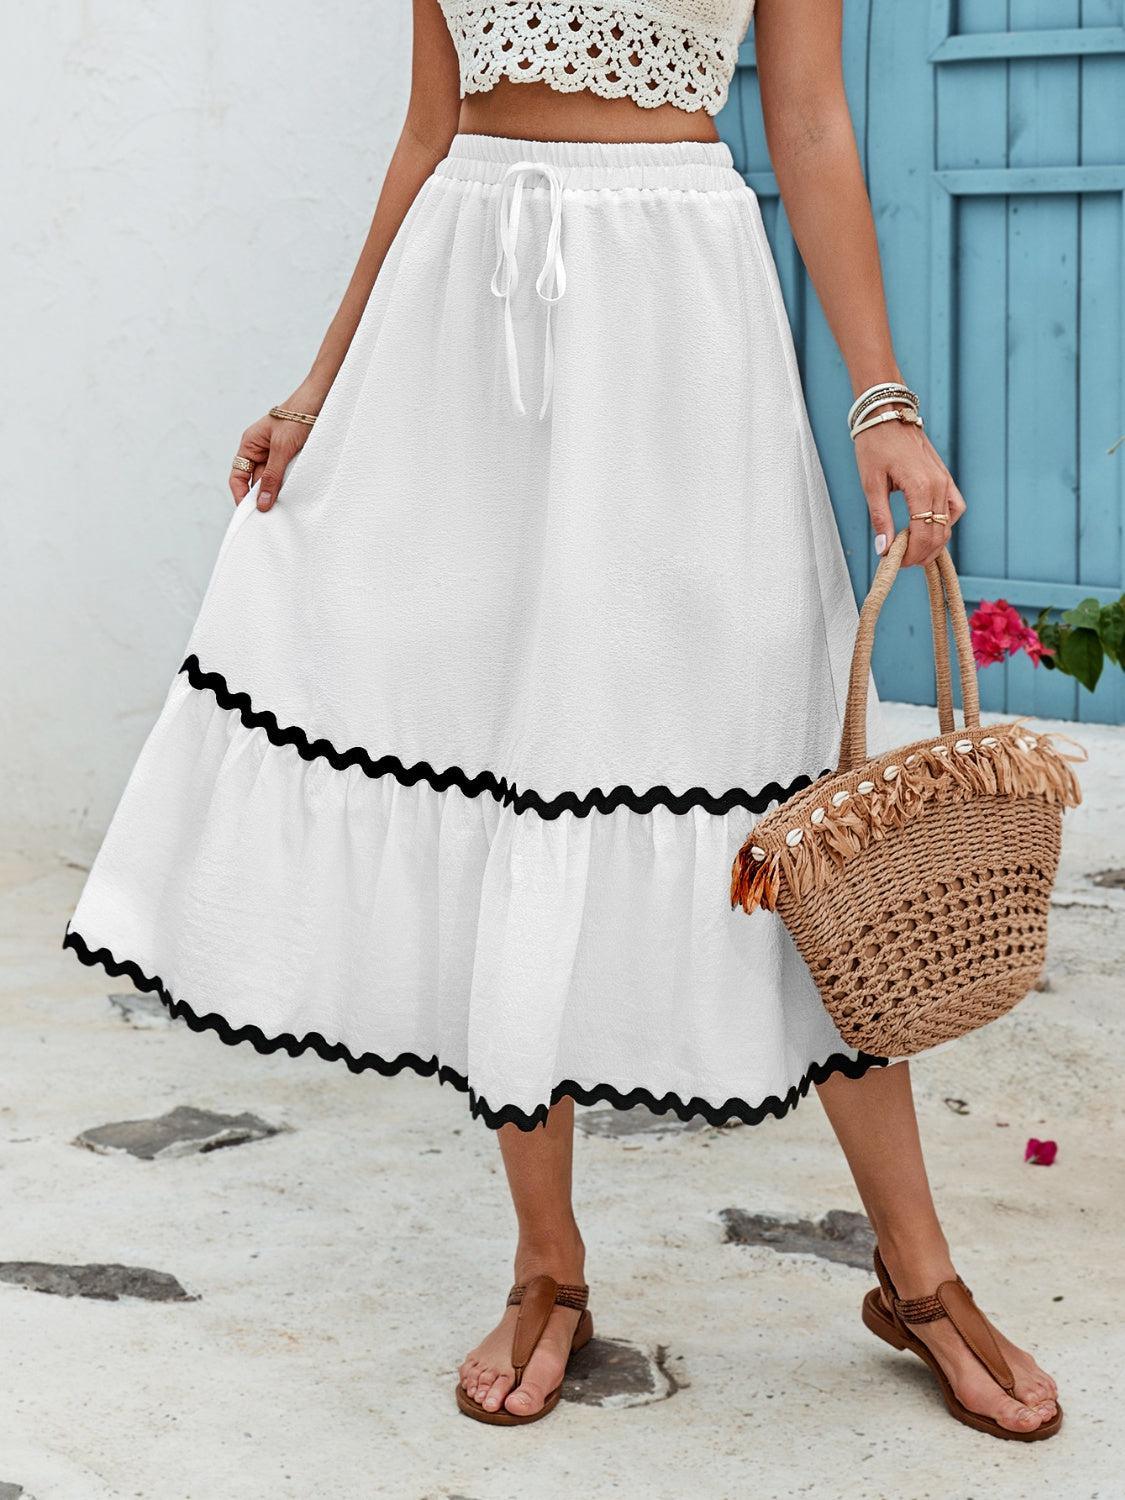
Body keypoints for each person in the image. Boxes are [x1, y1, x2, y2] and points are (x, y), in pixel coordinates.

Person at [65, 0, 1060, 1438]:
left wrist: (879, 400)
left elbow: (813, 124)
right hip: (458, 335)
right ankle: (548, 1266)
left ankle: (915, 1275)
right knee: (502, 768)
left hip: (676, 321)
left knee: (779, 794)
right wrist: (319, 383)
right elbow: (426, 129)